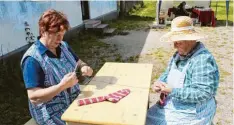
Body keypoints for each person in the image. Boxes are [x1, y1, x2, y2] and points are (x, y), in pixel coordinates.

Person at [21, 9, 93, 125]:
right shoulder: (32, 59)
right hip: (51, 112)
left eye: (62, 35)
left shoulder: (63, 46)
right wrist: (62, 86)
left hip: (73, 101)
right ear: (43, 31)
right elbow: (34, 97)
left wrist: (84, 67)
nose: (60, 40)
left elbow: (78, 62)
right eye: (56, 35)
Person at [146, 16, 219, 125]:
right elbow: (168, 73)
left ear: (191, 40)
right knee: (143, 117)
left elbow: (203, 92)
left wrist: (172, 90)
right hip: (175, 102)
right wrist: (159, 82)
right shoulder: (179, 54)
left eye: (178, 42)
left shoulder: (202, 60)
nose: (174, 46)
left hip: (194, 111)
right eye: (174, 42)